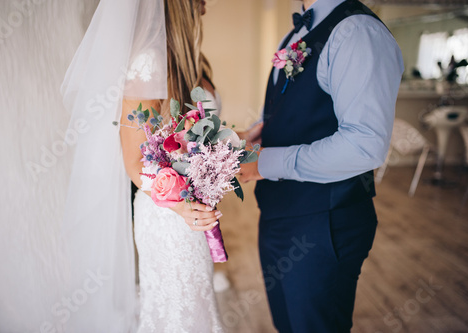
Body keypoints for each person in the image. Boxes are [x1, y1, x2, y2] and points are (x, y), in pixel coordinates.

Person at [238, 0, 404, 332]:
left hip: (323, 224)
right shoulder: (295, 34)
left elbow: (363, 145)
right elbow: (297, 111)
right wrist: (250, 137)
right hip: (278, 214)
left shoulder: (358, 32)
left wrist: (263, 163)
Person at [61, 0, 223, 332]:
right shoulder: (147, 61)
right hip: (168, 217)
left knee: (197, 304)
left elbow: (199, 135)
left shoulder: (192, 58)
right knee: (179, 313)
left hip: (195, 212)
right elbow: (134, 161)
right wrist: (181, 207)